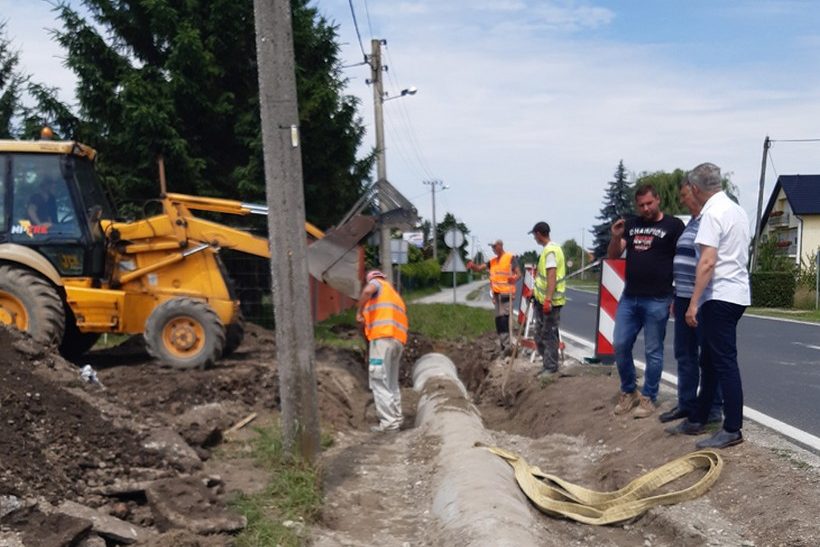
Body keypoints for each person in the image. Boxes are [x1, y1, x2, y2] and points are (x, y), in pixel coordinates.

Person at [666, 163, 750, 449]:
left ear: (695, 188)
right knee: (710, 360)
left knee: (724, 361)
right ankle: (698, 418)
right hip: (737, 293)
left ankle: (732, 428)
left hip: (719, 295)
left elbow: (707, 262)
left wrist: (693, 303)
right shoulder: (736, 210)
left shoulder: (712, 214)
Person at [608, 184, 685, 418]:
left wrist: (677, 293)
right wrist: (616, 236)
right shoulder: (631, 225)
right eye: (641, 205)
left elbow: (682, 260)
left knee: (653, 350)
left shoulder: (673, 226)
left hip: (658, 298)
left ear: (658, 200)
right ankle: (629, 390)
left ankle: (649, 396)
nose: (646, 208)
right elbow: (613, 255)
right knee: (620, 344)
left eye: (649, 203)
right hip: (630, 296)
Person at [659, 180, 723, 424]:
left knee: (708, 354)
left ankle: (713, 407)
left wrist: (696, 299)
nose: (682, 200)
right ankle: (686, 403)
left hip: (703, 297)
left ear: (696, 194)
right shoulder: (692, 223)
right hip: (684, 295)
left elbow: (708, 261)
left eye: (685, 195)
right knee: (684, 353)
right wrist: (677, 295)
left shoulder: (710, 221)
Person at [356, 270, 408, 433]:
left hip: (382, 340)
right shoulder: (395, 296)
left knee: (379, 380)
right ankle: (396, 418)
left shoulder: (377, 284)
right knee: (391, 382)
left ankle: (389, 423)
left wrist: (359, 311)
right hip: (397, 342)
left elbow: (367, 291)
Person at [466, 240, 521, 353]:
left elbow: (519, 274)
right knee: (499, 320)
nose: (493, 249)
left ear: (500, 246)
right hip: (497, 295)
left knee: (505, 320)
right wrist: (473, 266)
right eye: (492, 247)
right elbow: (479, 268)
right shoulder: (492, 262)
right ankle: (503, 344)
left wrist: (514, 278)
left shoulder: (510, 258)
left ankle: (508, 345)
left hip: (507, 294)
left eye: (494, 247)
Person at [529, 222, 566, 376]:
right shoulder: (548, 250)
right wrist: (534, 293)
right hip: (542, 300)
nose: (534, 238)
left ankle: (551, 367)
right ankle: (547, 364)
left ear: (538, 234)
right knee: (540, 334)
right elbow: (542, 278)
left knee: (548, 334)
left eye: (534, 235)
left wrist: (548, 300)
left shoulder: (550, 251)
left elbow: (551, 275)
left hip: (551, 302)